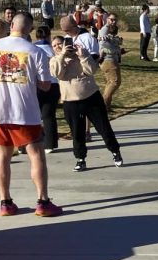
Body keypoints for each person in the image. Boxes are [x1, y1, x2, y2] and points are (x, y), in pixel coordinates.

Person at [0, 12, 61, 217]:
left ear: (11, 24)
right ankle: (43, 201)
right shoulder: (36, 52)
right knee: (36, 156)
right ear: (30, 29)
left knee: (2, 156)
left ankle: (5, 202)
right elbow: (45, 85)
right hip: (25, 112)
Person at [50, 34, 123, 170]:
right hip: (70, 101)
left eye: (60, 43)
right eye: (54, 46)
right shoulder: (55, 60)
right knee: (77, 132)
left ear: (67, 43)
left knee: (104, 128)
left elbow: (91, 70)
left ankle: (115, 152)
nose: (57, 47)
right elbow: (57, 74)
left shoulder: (81, 53)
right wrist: (62, 56)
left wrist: (83, 56)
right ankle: (80, 159)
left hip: (91, 97)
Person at [33, 24, 60, 153]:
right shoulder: (53, 50)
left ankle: (25, 143)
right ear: (49, 36)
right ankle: (50, 144)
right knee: (49, 115)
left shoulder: (32, 49)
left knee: (32, 115)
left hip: (36, 84)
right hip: (53, 84)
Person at [98, 14, 126, 112]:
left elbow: (111, 42)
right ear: (107, 19)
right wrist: (117, 50)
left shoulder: (110, 29)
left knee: (111, 82)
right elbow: (103, 44)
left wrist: (118, 44)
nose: (113, 22)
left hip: (110, 59)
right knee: (115, 82)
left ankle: (107, 107)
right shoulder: (104, 29)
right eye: (112, 19)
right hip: (108, 59)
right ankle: (103, 105)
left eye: (115, 20)